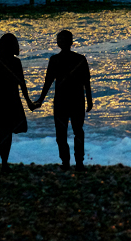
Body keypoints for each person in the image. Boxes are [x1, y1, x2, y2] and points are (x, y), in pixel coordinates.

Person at [35, 29, 94, 170]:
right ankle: (76, 163)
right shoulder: (79, 59)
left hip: (64, 101)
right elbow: (49, 81)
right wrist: (90, 100)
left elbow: (49, 82)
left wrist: (41, 99)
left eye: (61, 39)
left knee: (64, 132)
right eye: (59, 39)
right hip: (74, 100)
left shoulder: (56, 60)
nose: (60, 42)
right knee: (76, 131)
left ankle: (68, 163)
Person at [0, 32, 35, 173]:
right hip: (13, 100)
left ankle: (4, 163)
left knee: (3, 133)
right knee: (8, 131)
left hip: (1, 101)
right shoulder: (16, 62)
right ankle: (4, 163)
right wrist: (28, 102)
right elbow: (22, 83)